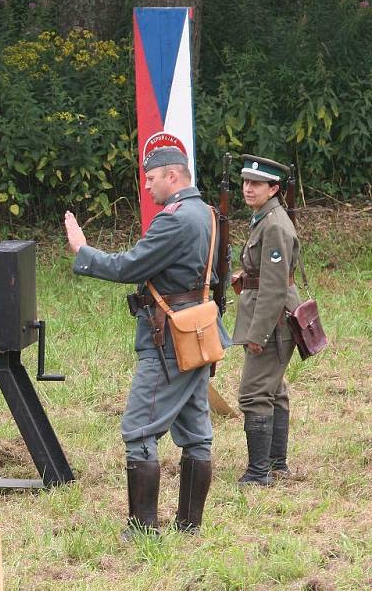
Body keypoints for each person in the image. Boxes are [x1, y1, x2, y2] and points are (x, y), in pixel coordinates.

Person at [64, 146, 230, 536]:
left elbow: (130, 266)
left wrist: (82, 251)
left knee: (139, 429)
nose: (147, 185)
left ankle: (142, 528)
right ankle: (188, 525)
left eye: (151, 178)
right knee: (196, 433)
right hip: (197, 334)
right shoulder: (206, 213)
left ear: (172, 176)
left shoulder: (174, 220)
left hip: (169, 340)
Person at [231, 155, 300, 486]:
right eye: (245, 182)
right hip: (271, 315)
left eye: (256, 184)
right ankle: (275, 464)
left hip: (273, 321)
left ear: (274, 188)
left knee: (254, 392)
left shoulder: (273, 224)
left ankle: (259, 474)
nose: (248, 188)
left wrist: (257, 334)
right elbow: (269, 276)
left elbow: (274, 289)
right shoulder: (266, 218)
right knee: (273, 390)